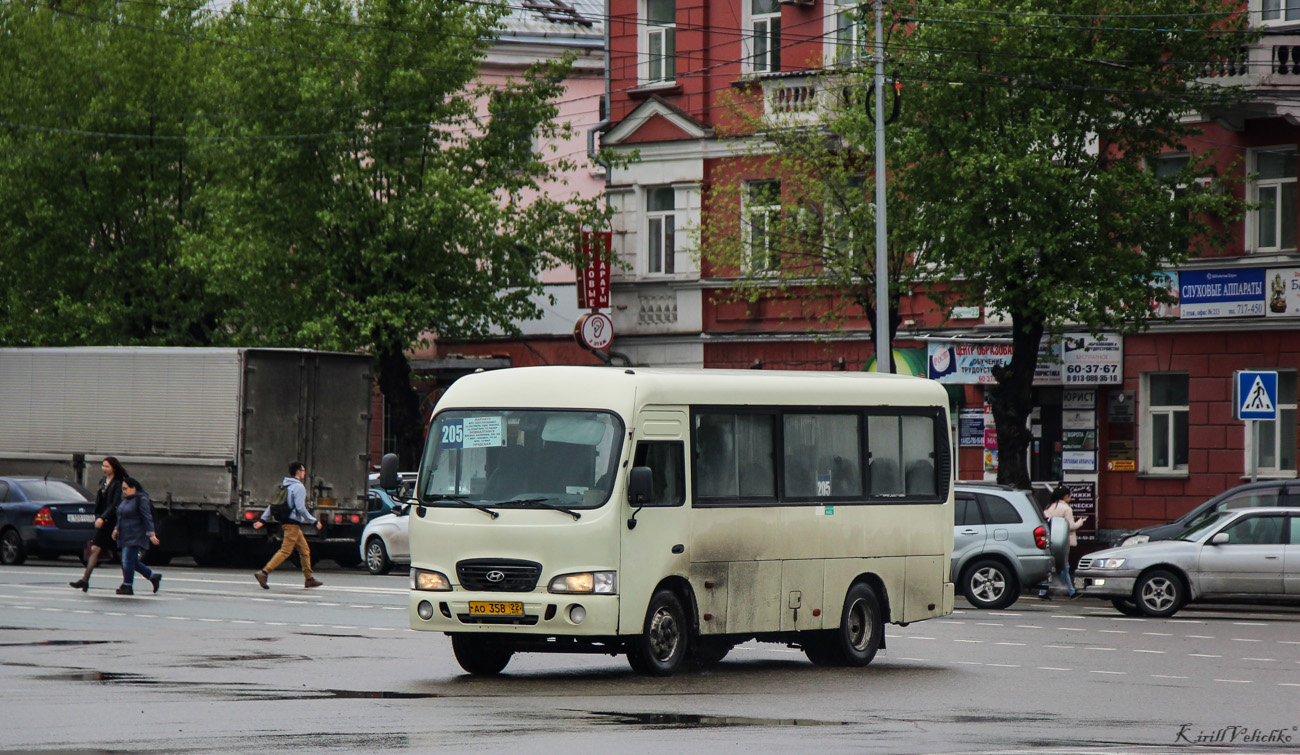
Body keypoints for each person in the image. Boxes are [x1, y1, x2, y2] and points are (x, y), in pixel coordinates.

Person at [252, 461, 323, 589]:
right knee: (285, 551)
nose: (304, 473)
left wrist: (263, 520)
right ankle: (264, 573)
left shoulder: (284, 486)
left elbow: (273, 505)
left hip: (288, 524)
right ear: (298, 472)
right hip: (293, 525)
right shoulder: (299, 487)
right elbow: (301, 508)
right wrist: (314, 521)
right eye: (303, 470)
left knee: (305, 550)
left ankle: (309, 579)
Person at [70, 456, 128, 592]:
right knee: (96, 549)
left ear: (113, 467)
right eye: (103, 466)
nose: (104, 469)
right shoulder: (103, 481)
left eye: (107, 466)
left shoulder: (118, 483)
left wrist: (103, 517)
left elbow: (114, 504)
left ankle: (129, 582)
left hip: (112, 522)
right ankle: (85, 580)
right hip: (103, 522)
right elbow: (100, 501)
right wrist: (97, 516)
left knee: (119, 553)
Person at [112, 477, 162, 596]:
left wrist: (151, 534)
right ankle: (152, 576)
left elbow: (147, 518)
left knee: (127, 560)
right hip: (125, 534)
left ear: (134, 488)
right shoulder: (126, 500)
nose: (124, 491)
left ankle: (127, 585)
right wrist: (116, 529)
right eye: (122, 489)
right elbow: (120, 515)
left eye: (126, 489)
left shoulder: (142, 500)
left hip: (136, 535)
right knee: (132, 562)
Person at [1039, 486, 1086, 600]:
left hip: (1050, 540)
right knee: (1065, 566)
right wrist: (1080, 522)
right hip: (1062, 541)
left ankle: (1043, 591)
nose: (1070, 498)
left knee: (1050, 566)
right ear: (1066, 496)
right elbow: (1070, 526)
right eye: (1070, 496)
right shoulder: (1066, 509)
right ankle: (1071, 592)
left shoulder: (1048, 507)